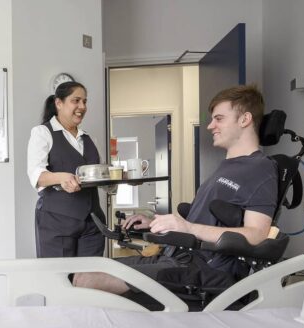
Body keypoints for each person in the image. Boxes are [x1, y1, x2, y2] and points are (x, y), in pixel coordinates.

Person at [73, 84, 278, 296]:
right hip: (177, 255)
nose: (210, 126)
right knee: (85, 273)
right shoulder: (226, 167)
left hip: (202, 268)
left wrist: (187, 227)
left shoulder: (261, 169)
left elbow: (256, 236)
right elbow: (203, 221)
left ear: (245, 119)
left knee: (90, 281)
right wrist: (155, 221)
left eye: (219, 118)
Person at [27, 81, 106, 258]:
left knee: (90, 278)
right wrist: (61, 177)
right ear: (59, 103)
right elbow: (36, 175)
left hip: (93, 223)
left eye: (85, 101)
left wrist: (117, 180)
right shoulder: (42, 133)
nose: (82, 107)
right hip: (56, 221)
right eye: (76, 100)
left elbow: (101, 175)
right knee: (59, 279)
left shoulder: (89, 138)